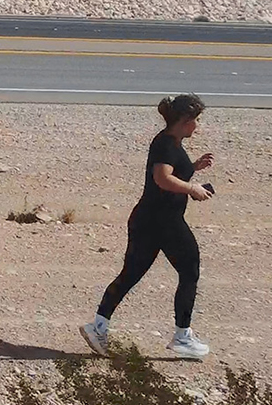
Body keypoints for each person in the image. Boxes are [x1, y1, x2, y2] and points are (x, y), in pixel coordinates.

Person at [80, 94, 215, 359]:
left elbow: (171, 172)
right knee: (190, 270)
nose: (198, 126)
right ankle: (182, 336)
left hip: (149, 220)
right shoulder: (166, 144)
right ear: (185, 121)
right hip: (163, 222)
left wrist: (193, 167)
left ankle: (98, 326)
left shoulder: (169, 142)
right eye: (196, 120)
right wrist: (192, 188)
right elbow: (162, 178)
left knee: (131, 274)